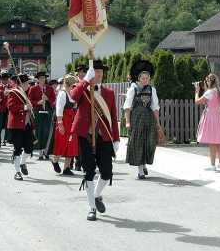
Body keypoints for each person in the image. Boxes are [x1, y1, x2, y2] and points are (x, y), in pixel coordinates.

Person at [70, 60, 120, 221]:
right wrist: (85, 81)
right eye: (95, 71)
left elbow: (113, 117)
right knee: (89, 171)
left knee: (106, 172)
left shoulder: (109, 93)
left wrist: (116, 138)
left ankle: (97, 195)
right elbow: (73, 98)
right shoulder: (82, 90)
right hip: (85, 135)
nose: (99, 74)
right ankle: (92, 207)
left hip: (104, 136)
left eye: (100, 72)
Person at [124, 60, 160, 179]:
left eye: (147, 78)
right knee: (139, 143)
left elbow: (155, 108)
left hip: (149, 119)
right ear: (138, 78)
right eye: (143, 78)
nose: (145, 80)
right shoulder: (132, 89)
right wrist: (128, 122)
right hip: (137, 119)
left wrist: (158, 123)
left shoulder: (152, 90)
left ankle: (144, 164)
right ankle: (140, 170)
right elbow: (127, 107)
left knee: (149, 143)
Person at [195, 73, 220, 171]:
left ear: (209, 81)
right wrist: (206, 89)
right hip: (218, 117)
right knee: (217, 142)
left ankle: (212, 165)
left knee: (212, 142)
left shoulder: (209, 92)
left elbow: (197, 101)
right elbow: (213, 101)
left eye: (207, 81)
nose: (206, 82)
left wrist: (197, 91)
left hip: (210, 118)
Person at [7, 74, 35, 180]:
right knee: (17, 148)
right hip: (16, 124)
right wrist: (24, 107)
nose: (29, 85)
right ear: (22, 83)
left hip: (26, 124)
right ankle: (17, 172)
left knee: (29, 147)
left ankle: (22, 163)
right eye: (27, 83)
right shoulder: (13, 92)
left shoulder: (25, 92)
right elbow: (11, 107)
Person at [51, 74, 79, 176]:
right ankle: (55, 160)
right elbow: (59, 110)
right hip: (64, 121)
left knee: (71, 145)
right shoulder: (62, 94)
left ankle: (66, 168)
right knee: (61, 143)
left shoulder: (70, 93)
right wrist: (60, 124)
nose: (74, 87)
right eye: (73, 85)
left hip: (71, 122)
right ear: (68, 84)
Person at [28, 71, 56, 161]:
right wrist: (38, 102)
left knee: (47, 131)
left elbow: (54, 100)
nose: (42, 80)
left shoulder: (50, 88)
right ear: (38, 79)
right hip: (38, 111)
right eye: (40, 78)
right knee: (39, 131)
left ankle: (46, 152)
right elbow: (29, 101)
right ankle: (40, 152)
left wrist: (48, 99)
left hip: (48, 111)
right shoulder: (33, 88)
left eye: (43, 78)